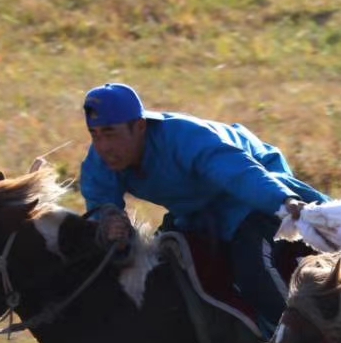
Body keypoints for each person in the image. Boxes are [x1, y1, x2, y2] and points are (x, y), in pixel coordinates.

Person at [78, 82, 325, 329]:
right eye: (95, 135)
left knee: (252, 270)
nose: (103, 146)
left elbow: (239, 174)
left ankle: (302, 342)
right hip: (195, 214)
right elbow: (100, 203)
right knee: (158, 275)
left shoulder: (184, 137)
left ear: (140, 126)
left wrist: (282, 201)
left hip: (254, 196)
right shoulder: (100, 160)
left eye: (110, 133)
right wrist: (109, 224)